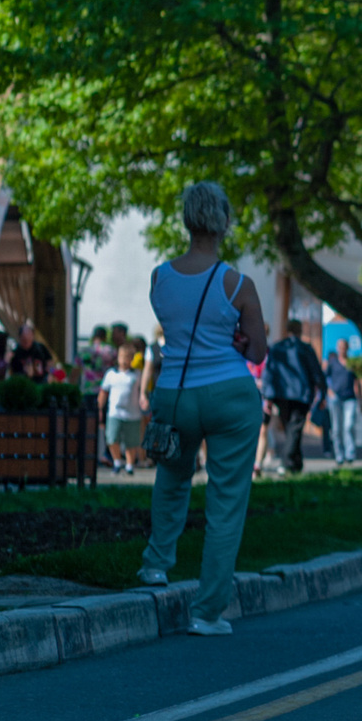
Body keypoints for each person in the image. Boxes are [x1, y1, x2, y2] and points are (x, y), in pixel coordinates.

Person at [137, 181, 271, 636]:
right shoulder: (237, 283)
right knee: (226, 500)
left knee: (172, 478)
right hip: (229, 394)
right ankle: (206, 611)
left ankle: (156, 565)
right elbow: (256, 352)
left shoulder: (160, 277)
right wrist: (237, 337)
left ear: (186, 220)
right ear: (224, 222)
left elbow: (174, 328)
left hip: (174, 391)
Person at [260, 318, 325, 475]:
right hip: (301, 395)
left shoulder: (277, 348)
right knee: (294, 429)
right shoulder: (305, 349)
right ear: (300, 330)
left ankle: (295, 463)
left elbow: (269, 373)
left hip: (281, 394)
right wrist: (322, 393)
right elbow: (316, 372)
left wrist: (268, 397)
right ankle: (287, 461)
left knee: (290, 427)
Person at [101, 343, 146, 474]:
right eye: (122, 356)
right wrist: (99, 408)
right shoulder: (111, 374)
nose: (124, 359)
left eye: (127, 357)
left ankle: (130, 464)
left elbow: (143, 392)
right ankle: (117, 461)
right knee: (112, 438)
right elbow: (103, 392)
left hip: (133, 414)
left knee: (131, 441)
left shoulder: (137, 375)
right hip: (114, 412)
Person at [325, 341, 362, 463]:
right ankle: (339, 455)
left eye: (344, 347)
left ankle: (350, 454)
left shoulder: (352, 364)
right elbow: (325, 378)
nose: (342, 349)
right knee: (336, 429)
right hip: (336, 399)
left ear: (347, 348)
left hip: (350, 398)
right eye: (340, 347)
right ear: (337, 348)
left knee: (348, 426)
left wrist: (361, 402)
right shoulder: (333, 362)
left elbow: (358, 383)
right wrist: (329, 392)